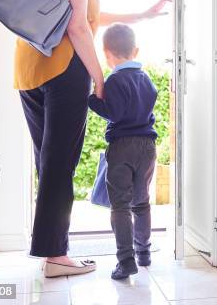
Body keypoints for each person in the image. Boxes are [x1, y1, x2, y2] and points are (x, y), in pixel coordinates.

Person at [15, 0, 170, 278]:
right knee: (60, 163)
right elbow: (80, 27)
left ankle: (52, 250)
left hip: (29, 70)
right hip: (63, 70)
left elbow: (85, 14)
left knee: (47, 162)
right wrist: (101, 79)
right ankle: (55, 256)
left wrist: (142, 14)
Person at [88, 24, 158, 280]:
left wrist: (93, 100)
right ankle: (144, 252)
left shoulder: (115, 80)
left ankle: (126, 261)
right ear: (135, 50)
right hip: (148, 146)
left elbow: (114, 113)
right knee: (141, 201)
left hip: (122, 147)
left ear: (107, 54)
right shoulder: (146, 78)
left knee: (120, 206)